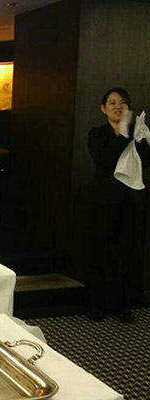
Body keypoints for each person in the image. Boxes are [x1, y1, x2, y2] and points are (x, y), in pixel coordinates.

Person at [87, 87, 150, 323]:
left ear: (129, 108)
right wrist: (122, 134)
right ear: (103, 109)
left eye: (122, 103)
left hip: (129, 201)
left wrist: (141, 139)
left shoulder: (136, 132)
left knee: (125, 253)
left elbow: (147, 162)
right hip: (103, 202)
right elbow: (103, 159)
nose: (118, 107)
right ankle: (97, 303)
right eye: (112, 103)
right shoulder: (98, 134)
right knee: (100, 252)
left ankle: (120, 304)